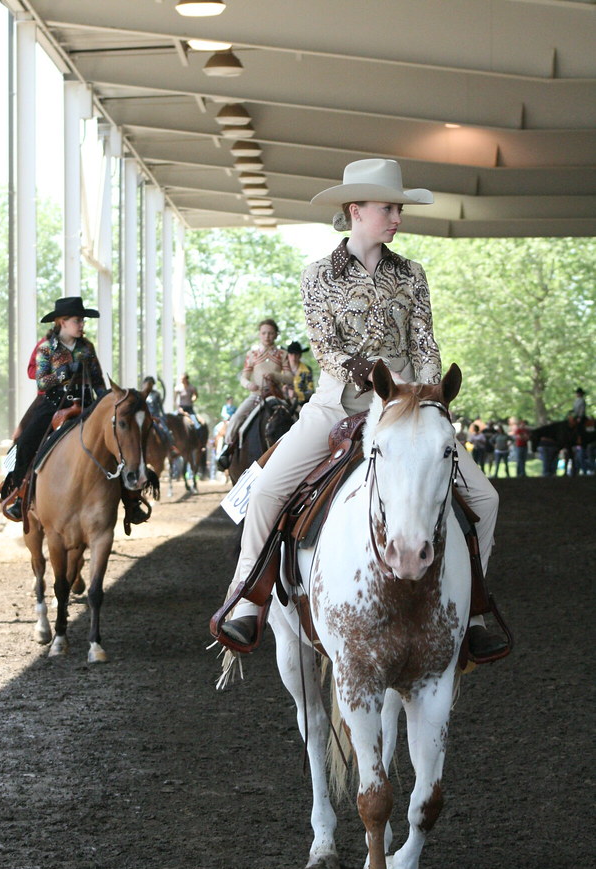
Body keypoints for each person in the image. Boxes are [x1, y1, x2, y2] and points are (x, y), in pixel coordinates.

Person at [215, 158, 505, 660]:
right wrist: (367, 374)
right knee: (265, 492)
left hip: (408, 404)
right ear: (356, 210)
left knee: (486, 499)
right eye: (388, 207)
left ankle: (474, 606)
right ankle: (246, 598)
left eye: (397, 208)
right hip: (337, 403)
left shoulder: (411, 274)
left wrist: (431, 396)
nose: (396, 217)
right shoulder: (318, 275)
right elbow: (325, 346)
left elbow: (425, 342)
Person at [4, 296, 106, 520]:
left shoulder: (87, 348)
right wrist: (66, 371)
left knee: (115, 439)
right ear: (63, 322)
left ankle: (131, 498)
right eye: (78, 321)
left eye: (82, 321)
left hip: (86, 403)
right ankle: (20, 496)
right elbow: (41, 382)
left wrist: (104, 400)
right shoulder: (46, 348)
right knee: (25, 443)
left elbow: (98, 381)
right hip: (52, 404)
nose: (82, 325)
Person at [216, 318, 293, 470]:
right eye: (264, 333)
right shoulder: (252, 354)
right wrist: (248, 384)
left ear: (276, 335)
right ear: (259, 334)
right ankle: (227, 450)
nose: (267, 336)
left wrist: (275, 376)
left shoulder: (282, 354)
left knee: (296, 416)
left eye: (271, 333)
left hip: (276, 396)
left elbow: (290, 377)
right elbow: (243, 377)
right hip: (256, 395)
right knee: (237, 418)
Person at [143, 375, 175, 452]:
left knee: (166, 430)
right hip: (146, 417)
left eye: (151, 384)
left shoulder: (156, 394)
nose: (149, 386)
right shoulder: (142, 394)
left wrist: (163, 418)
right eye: (147, 384)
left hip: (156, 417)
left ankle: (170, 448)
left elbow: (161, 408)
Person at [284, 341, 315, 405]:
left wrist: (297, 394)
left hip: (303, 403)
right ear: (288, 355)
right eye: (291, 354)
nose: (294, 357)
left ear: (300, 355)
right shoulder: (282, 369)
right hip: (284, 402)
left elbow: (310, 391)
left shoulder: (307, 370)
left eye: (296, 354)